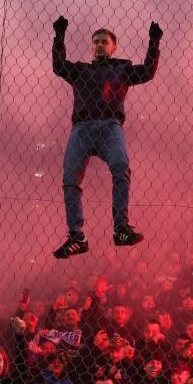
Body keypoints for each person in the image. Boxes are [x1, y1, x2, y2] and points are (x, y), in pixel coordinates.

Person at [50, 15, 163, 258]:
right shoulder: (80, 70)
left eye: (104, 42)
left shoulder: (122, 69)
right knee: (70, 178)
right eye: (96, 42)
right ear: (92, 48)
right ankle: (76, 237)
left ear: (114, 47)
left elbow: (147, 72)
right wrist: (59, 36)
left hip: (110, 126)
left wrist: (154, 43)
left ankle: (121, 228)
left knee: (121, 167)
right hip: (81, 128)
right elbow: (59, 66)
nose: (99, 45)